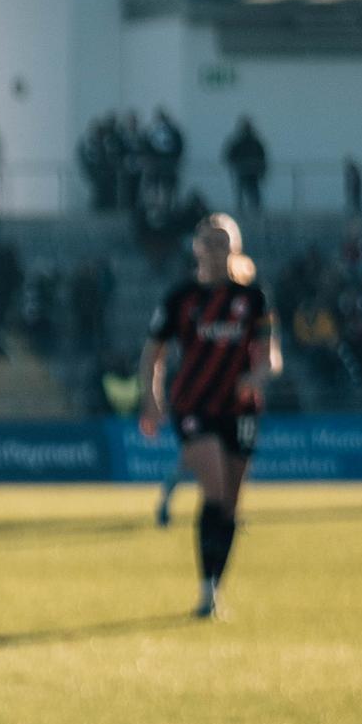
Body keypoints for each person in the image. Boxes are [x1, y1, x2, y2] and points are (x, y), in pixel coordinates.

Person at [138, 212, 277, 618]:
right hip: (194, 406)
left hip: (241, 410)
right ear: (197, 247)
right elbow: (154, 351)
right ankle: (204, 592)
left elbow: (271, 356)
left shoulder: (254, 298)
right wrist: (151, 396)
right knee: (214, 492)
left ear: (235, 248)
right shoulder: (181, 297)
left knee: (231, 505)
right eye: (209, 242)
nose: (216, 250)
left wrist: (259, 374)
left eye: (224, 243)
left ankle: (215, 587)